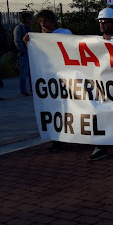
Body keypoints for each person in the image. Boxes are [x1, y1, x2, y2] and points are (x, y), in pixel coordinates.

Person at [24, 10, 72, 152]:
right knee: (52, 109)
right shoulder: (38, 38)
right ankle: (57, 138)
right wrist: (29, 43)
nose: (43, 24)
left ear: (53, 21)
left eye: (45, 21)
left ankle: (68, 136)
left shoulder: (64, 32)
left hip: (65, 78)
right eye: (40, 22)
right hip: (49, 80)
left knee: (68, 108)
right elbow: (35, 56)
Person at [88, 8, 113, 161]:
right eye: (101, 21)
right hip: (102, 87)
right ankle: (102, 146)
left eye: (106, 21)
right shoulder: (94, 42)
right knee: (102, 114)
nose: (102, 24)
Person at [14, 12, 33, 96]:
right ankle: (23, 89)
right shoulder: (19, 28)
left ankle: (32, 88)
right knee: (24, 72)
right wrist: (23, 51)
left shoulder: (28, 28)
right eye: (29, 18)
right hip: (23, 53)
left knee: (31, 72)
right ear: (25, 19)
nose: (31, 20)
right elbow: (17, 41)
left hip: (30, 52)